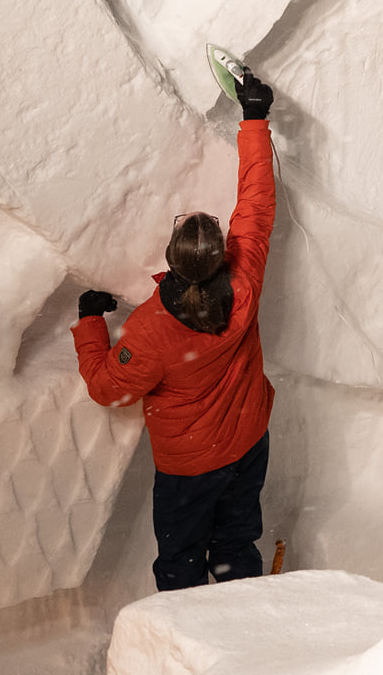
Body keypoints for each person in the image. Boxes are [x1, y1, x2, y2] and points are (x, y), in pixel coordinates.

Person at [73, 70, 277, 590]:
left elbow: (107, 389)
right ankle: (245, 617)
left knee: (181, 562)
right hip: (248, 444)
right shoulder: (245, 280)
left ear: (173, 258)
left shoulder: (151, 331)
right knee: (235, 546)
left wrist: (90, 322)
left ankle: (187, 630)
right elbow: (256, 204)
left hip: (191, 469)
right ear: (222, 254)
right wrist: (255, 117)